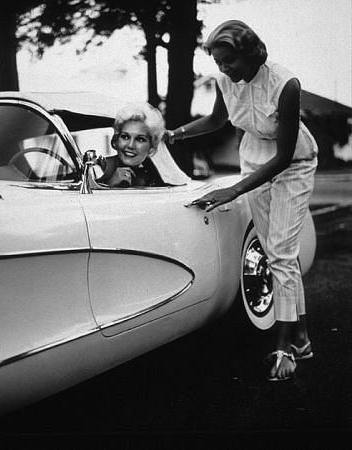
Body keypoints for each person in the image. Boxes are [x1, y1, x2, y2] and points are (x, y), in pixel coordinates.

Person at [165, 20, 318, 381]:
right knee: (277, 251)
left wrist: (233, 190)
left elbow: (282, 158)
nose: (223, 69)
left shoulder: (286, 84)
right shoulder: (224, 80)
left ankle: (283, 347)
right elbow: (218, 120)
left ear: (249, 53)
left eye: (228, 61)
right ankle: (302, 337)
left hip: (292, 163)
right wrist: (177, 133)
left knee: (280, 252)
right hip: (253, 160)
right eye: (218, 62)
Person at [97, 102, 166, 188]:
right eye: (125, 137)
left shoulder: (152, 173)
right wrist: (110, 185)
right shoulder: (99, 170)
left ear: (151, 147)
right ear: (116, 140)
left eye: (140, 139)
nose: (130, 145)